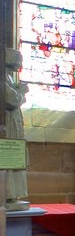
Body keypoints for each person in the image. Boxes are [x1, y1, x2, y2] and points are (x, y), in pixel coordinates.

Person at [4, 48, 29, 210]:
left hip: (13, 124)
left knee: (14, 159)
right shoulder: (2, 77)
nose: (20, 65)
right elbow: (10, 100)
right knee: (8, 158)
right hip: (7, 126)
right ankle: (6, 194)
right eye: (18, 60)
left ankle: (12, 195)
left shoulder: (7, 77)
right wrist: (21, 90)